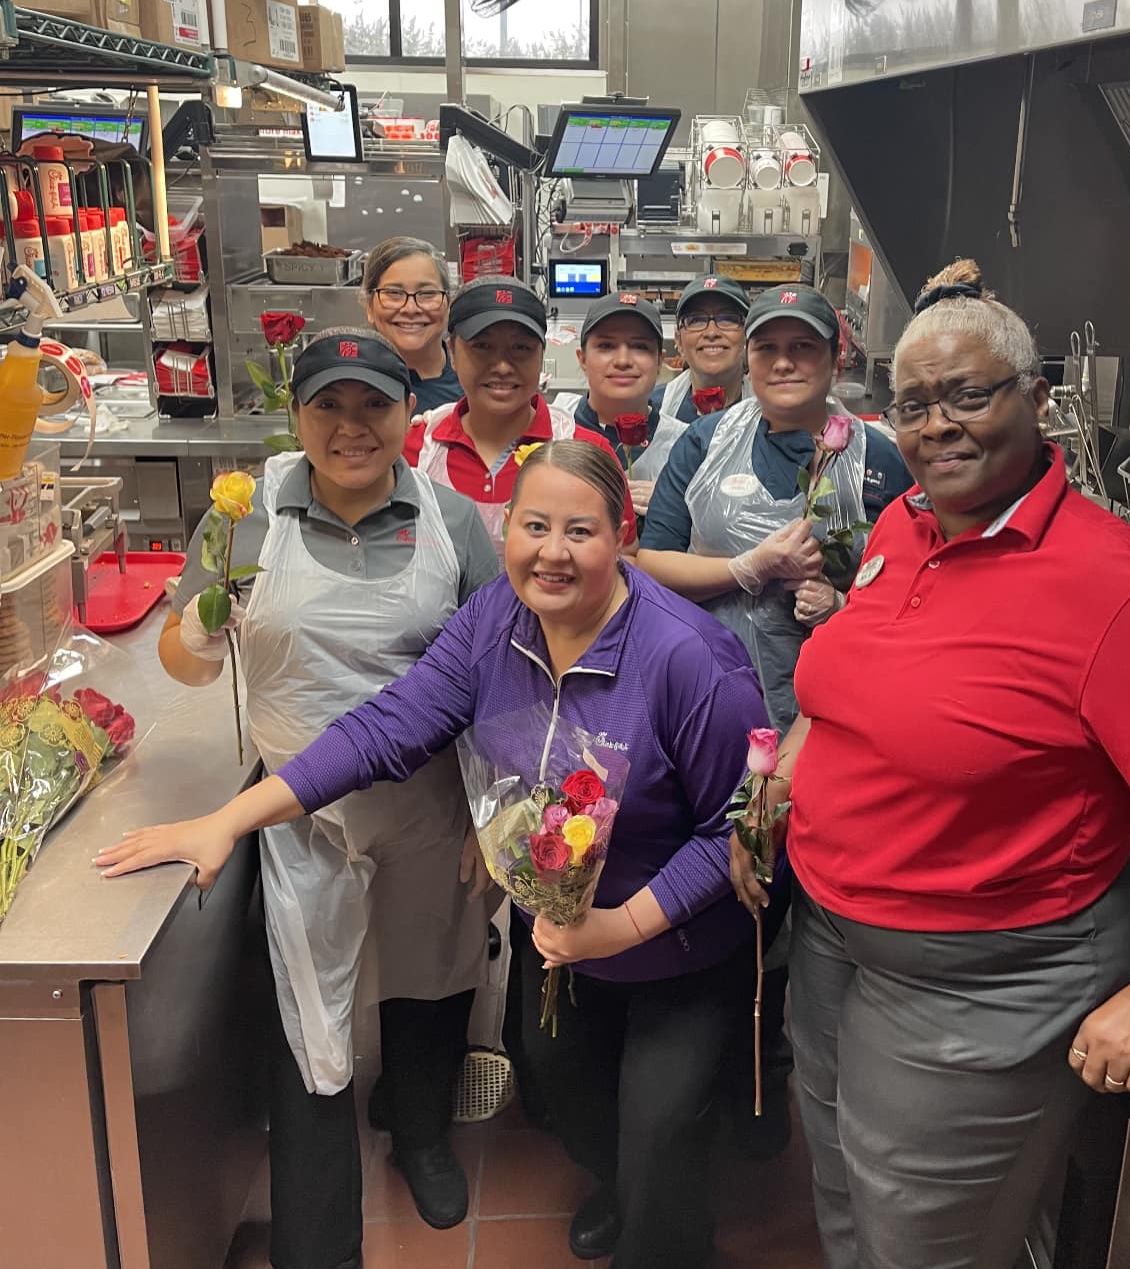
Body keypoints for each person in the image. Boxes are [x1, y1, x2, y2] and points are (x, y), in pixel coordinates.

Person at [729, 260, 1130, 1269]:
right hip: (835, 939)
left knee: (922, 1242)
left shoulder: (1121, 593)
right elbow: (844, 691)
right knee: (845, 1191)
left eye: (968, 394)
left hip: (980, 981)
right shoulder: (904, 527)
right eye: (914, 404)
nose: (937, 423)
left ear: (1036, 401)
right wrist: (781, 784)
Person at [100, 440, 769, 1269]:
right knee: (564, 1092)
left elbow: (736, 835)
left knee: (662, 1133)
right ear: (508, 532)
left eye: (581, 531)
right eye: (534, 526)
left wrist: (619, 926)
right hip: (564, 943)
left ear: (622, 534)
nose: (552, 552)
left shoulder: (688, 658)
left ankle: (660, 1222)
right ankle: (621, 1184)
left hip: (675, 946)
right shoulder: (496, 620)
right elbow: (387, 728)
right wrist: (233, 818)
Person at [162, 326, 498, 1269]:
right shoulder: (246, 514)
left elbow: (493, 674)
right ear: (297, 414)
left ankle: (424, 1138)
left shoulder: (452, 519)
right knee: (312, 1016)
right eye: (328, 407)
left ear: (407, 412)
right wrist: (200, 625)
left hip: (430, 799)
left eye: (374, 406)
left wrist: (490, 810)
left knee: (432, 976)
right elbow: (183, 669)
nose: (353, 429)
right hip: (298, 815)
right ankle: (319, 1241)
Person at [640, 282, 912, 732]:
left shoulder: (879, 462)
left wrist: (842, 604)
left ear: (835, 356)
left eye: (803, 347)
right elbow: (650, 567)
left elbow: (909, 594)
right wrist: (747, 567)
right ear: (750, 357)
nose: (783, 362)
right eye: (767, 348)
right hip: (708, 692)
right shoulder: (706, 443)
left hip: (835, 708)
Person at [414, 273, 636, 553]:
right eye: (482, 346)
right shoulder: (416, 448)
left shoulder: (591, 452)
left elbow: (626, 560)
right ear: (452, 351)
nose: (503, 366)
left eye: (521, 348)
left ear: (541, 354)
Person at [567, 289, 688, 517]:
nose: (623, 361)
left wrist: (678, 504)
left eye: (640, 346)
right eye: (606, 346)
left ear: (660, 360)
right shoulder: (555, 430)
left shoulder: (684, 445)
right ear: (582, 359)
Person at [362, 237, 463, 435]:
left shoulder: (473, 381)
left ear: (448, 303)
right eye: (393, 293)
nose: (410, 308)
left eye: (426, 294)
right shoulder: (350, 383)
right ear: (369, 306)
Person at [658, 274, 751, 422]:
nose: (712, 333)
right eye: (696, 320)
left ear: (747, 335)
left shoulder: (774, 416)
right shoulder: (651, 412)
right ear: (678, 340)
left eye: (727, 318)